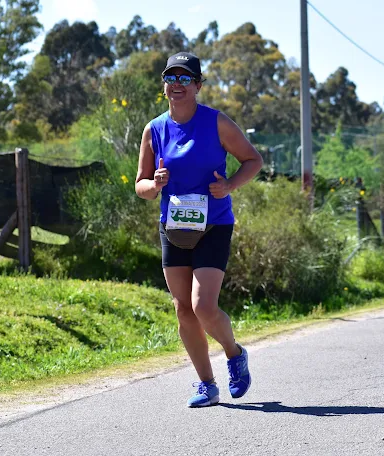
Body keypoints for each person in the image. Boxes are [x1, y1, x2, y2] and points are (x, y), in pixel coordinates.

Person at [135, 52, 263, 407]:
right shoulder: (154, 129)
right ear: (164, 85)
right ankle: (207, 384)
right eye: (170, 78)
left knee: (203, 306)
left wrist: (230, 185)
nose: (176, 84)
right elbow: (140, 185)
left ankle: (234, 353)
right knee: (182, 309)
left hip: (214, 224)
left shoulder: (217, 122)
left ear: (197, 85)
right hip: (173, 227)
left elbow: (253, 160)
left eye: (184, 78)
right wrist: (155, 185)